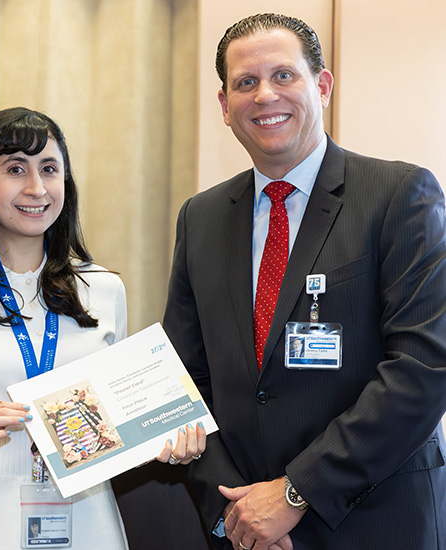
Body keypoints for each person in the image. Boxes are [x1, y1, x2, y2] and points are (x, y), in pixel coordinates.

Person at [163, 13, 446, 550]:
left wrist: (295, 493)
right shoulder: (198, 218)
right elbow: (184, 380)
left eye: (284, 76)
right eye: (246, 83)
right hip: (248, 531)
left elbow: (423, 367)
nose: (265, 95)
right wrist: (238, 512)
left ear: (323, 85)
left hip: (377, 525)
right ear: (225, 107)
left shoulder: (399, 195)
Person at [0, 107, 203, 550]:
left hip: (89, 524)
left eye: (49, 169)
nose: (36, 188)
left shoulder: (103, 291)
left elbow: (113, 429)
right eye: (15, 169)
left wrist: (163, 439)